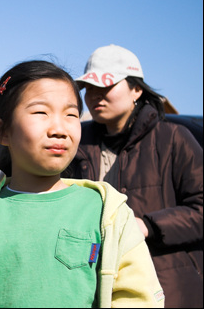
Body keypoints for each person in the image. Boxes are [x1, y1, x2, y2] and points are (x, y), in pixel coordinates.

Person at [0, 60, 164, 308]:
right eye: (40, 112)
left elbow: (138, 298)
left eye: (71, 115)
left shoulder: (107, 211)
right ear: (2, 131)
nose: (59, 128)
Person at [65, 44, 203, 308]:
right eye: (89, 88)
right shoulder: (76, 143)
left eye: (106, 86)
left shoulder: (173, 139)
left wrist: (147, 225)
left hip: (171, 290)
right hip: (96, 289)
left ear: (136, 89)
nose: (95, 96)